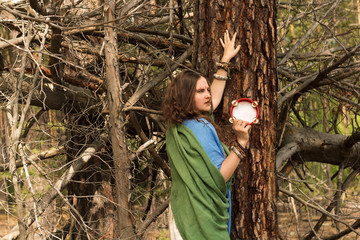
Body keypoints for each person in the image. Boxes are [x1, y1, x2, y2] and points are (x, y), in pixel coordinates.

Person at [163, 30, 250, 240]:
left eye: (206, 89)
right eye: (200, 91)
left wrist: (225, 60)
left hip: (183, 216)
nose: (208, 94)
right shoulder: (200, 127)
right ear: (186, 96)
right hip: (203, 219)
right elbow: (219, 177)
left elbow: (215, 98)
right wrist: (241, 143)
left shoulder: (177, 126)